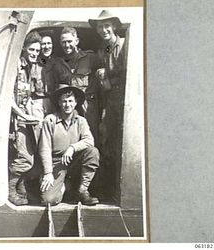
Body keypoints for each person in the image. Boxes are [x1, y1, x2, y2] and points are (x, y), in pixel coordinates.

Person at [39, 84, 100, 206]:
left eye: (70, 101)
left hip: (74, 161)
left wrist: (72, 148)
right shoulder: (50, 120)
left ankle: (82, 190)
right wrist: (48, 173)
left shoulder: (81, 121)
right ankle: (65, 186)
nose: (67, 105)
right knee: (49, 200)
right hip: (56, 163)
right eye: (64, 101)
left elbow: (89, 141)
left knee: (92, 152)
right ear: (59, 103)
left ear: (76, 102)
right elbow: (44, 148)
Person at [9, 31, 51, 206]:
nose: (35, 53)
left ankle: (20, 189)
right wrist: (23, 114)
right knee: (24, 158)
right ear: (24, 48)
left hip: (25, 119)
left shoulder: (29, 68)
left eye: (37, 50)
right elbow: (7, 97)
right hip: (16, 120)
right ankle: (10, 190)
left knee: (31, 156)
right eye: (32, 49)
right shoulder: (16, 66)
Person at [89, 10, 127, 203]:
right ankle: (108, 189)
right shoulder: (102, 50)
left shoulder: (124, 46)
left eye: (106, 26)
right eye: (100, 27)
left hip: (122, 106)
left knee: (119, 146)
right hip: (108, 105)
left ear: (113, 26)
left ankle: (117, 191)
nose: (103, 30)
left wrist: (110, 78)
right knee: (106, 145)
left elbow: (128, 74)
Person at [53, 27, 100, 145]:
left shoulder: (91, 58)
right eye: (63, 42)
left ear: (76, 41)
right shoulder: (59, 64)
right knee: (71, 136)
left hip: (88, 105)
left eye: (69, 41)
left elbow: (102, 74)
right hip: (69, 106)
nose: (66, 45)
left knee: (92, 136)